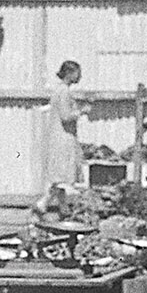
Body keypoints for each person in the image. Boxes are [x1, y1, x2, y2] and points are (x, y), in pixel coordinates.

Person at [43, 60, 85, 196]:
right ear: (69, 73)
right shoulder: (64, 91)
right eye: (77, 73)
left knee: (59, 179)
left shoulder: (58, 90)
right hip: (63, 137)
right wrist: (81, 111)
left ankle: (48, 206)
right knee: (64, 177)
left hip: (59, 136)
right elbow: (66, 116)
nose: (79, 76)